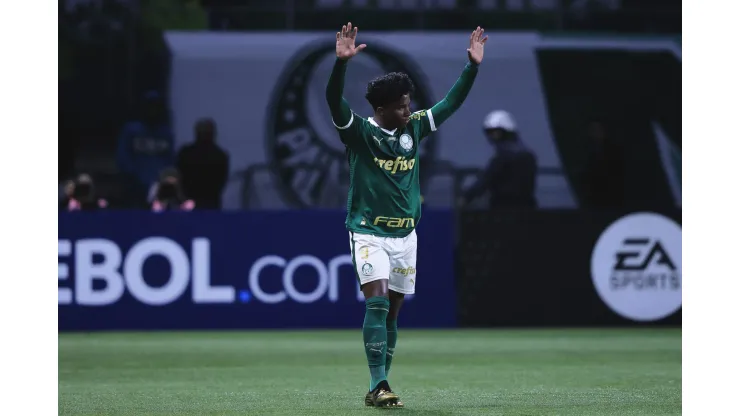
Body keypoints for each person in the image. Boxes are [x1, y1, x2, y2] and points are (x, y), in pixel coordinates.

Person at [326, 22, 486, 408]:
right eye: (400, 105)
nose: (408, 109)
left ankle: (379, 385)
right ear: (381, 109)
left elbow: (448, 105)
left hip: (405, 236)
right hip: (367, 232)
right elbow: (334, 101)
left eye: (408, 102)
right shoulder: (360, 133)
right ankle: (378, 384)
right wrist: (341, 65)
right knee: (377, 304)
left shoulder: (412, 129)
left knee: (393, 313)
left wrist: (472, 68)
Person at [460, 110, 538, 209]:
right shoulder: (529, 155)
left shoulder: (502, 157)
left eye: (495, 133)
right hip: (528, 209)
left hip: (503, 210)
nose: (492, 138)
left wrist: (466, 198)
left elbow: (485, 181)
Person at [176, 118, 230, 209]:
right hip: (211, 202)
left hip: (190, 202)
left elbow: (179, 176)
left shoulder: (185, 153)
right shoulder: (220, 155)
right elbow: (221, 182)